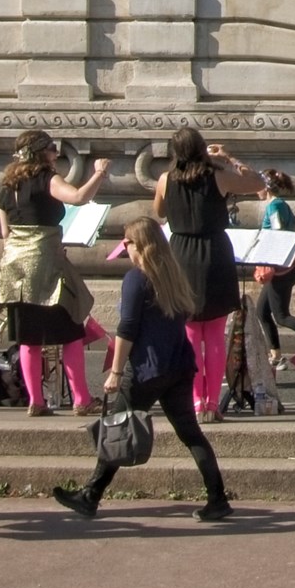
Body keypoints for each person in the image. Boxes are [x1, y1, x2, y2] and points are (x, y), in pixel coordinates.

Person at [54, 218, 232, 522]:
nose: (125, 248)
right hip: (178, 365)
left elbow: (128, 329)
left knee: (116, 428)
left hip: (147, 369)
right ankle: (217, 497)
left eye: (129, 242)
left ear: (141, 245)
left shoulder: (137, 279)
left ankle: (90, 495)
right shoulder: (174, 275)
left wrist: (116, 370)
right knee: (191, 434)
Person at [0, 130, 113, 416]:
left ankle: (36, 401)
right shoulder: (47, 178)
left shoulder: (9, 185)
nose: (56, 153)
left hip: (15, 269)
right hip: (46, 268)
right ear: (43, 153)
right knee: (71, 333)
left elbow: (6, 233)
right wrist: (99, 174)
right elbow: (78, 197)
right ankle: (81, 399)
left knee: (29, 339)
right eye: (53, 149)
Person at [153, 128, 263, 418]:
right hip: (213, 250)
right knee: (214, 334)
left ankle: (195, 400)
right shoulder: (218, 175)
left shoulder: (166, 179)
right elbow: (257, 182)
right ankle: (212, 402)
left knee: (189, 332)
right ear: (202, 148)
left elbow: (160, 211)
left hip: (180, 252)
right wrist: (228, 158)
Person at [248, 168, 295, 383]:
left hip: (281, 270)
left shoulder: (274, 207)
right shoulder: (282, 205)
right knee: (261, 312)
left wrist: (263, 245)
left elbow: (278, 234)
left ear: (265, 188)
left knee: (281, 316)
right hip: (288, 268)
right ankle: (276, 357)